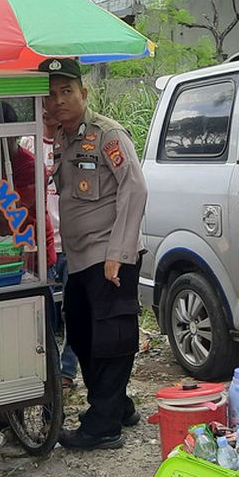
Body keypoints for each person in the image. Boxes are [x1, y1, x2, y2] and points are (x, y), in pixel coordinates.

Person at [42, 58, 148, 450]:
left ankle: (103, 426)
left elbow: (134, 190)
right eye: (51, 95)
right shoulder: (64, 139)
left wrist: (118, 253)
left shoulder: (107, 135)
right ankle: (117, 406)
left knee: (113, 338)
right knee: (83, 334)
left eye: (67, 91)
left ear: (84, 94)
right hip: (81, 259)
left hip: (110, 257)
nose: (59, 101)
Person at [22, 102, 76, 390]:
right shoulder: (26, 143)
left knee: (75, 310)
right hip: (38, 245)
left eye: (53, 102)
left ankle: (67, 370)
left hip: (72, 242)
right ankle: (46, 369)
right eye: (42, 103)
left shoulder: (74, 143)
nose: (48, 109)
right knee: (42, 310)